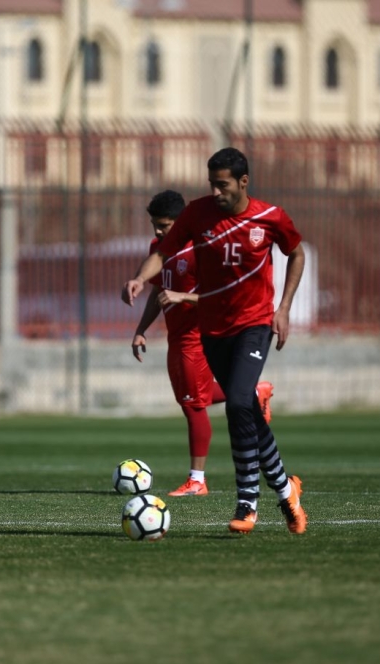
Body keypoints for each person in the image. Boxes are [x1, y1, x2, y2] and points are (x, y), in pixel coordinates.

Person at [122, 148, 307, 535]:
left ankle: (247, 502)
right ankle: (286, 486)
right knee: (248, 411)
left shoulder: (269, 218)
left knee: (238, 401)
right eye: (212, 184)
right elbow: (163, 253)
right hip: (212, 330)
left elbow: (297, 253)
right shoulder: (197, 214)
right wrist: (140, 278)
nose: (216, 191)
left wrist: (284, 307)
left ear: (243, 182)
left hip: (254, 325)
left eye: (222, 184)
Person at [131, 190, 274, 497]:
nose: (157, 231)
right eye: (155, 225)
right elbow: (158, 294)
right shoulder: (159, 248)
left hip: (196, 338)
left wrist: (183, 297)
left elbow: (222, 297)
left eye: (164, 225)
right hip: (175, 338)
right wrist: (141, 328)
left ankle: (197, 480)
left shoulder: (202, 250)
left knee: (194, 406)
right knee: (190, 399)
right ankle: (254, 393)